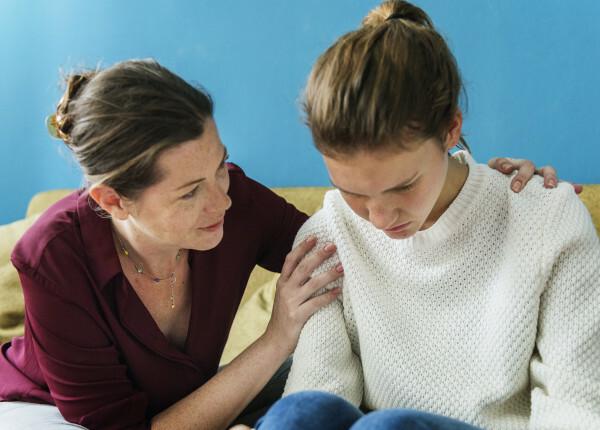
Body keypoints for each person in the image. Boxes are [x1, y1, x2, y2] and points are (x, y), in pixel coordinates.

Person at [0, 58, 567, 430]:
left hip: (193, 399)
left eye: (221, 166)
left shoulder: (236, 201)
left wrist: (478, 191)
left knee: (312, 408)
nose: (221, 199)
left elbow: (360, 242)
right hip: (54, 414)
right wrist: (276, 338)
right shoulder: (52, 258)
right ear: (111, 201)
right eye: (190, 192)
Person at [252, 1, 600, 429]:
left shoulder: (547, 219)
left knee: (386, 427)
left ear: (450, 129)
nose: (378, 218)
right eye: (353, 192)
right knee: (298, 414)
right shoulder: (329, 233)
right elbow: (318, 391)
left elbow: (576, 409)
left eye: (402, 186)